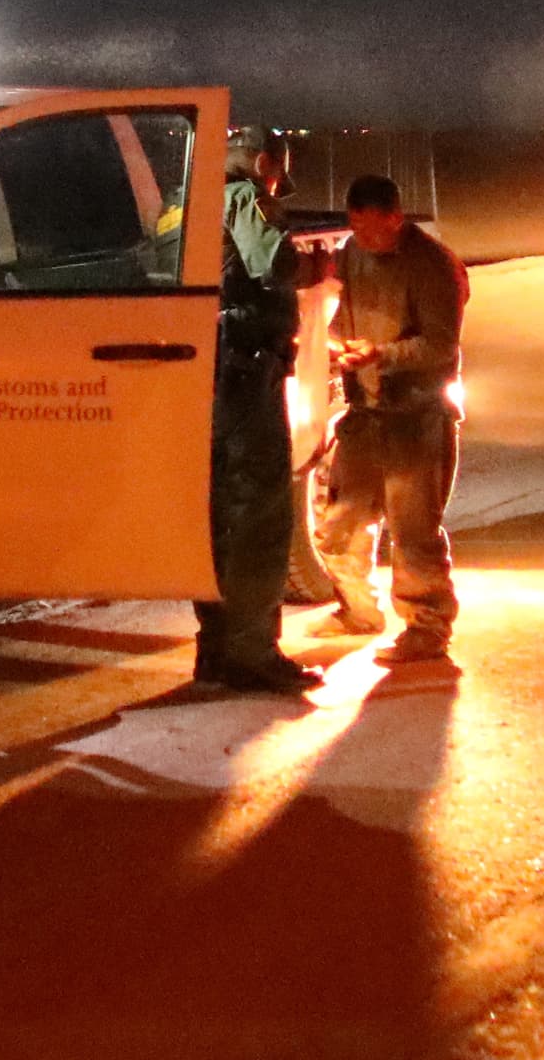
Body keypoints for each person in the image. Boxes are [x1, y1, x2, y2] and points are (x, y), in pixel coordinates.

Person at [308, 172, 468, 663]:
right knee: (341, 522)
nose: (362, 237)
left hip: (416, 415)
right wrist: (338, 345)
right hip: (366, 412)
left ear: (395, 218)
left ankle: (427, 627)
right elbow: (341, 314)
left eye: (371, 228)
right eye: (355, 226)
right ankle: (357, 609)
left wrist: (381, 354)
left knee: (413, 531)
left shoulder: (433, 265)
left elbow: (440, 345)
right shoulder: (352, 254)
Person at [190, 125, 319, 695]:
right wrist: (316, 269)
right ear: (264, 162)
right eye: (274, 175)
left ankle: (215, 650)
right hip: (245, 374)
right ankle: (252, 654)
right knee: (260, 513)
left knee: (215, 514)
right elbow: (272, 263)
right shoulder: (244, 197)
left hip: (203, 377)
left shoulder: (187, 201)